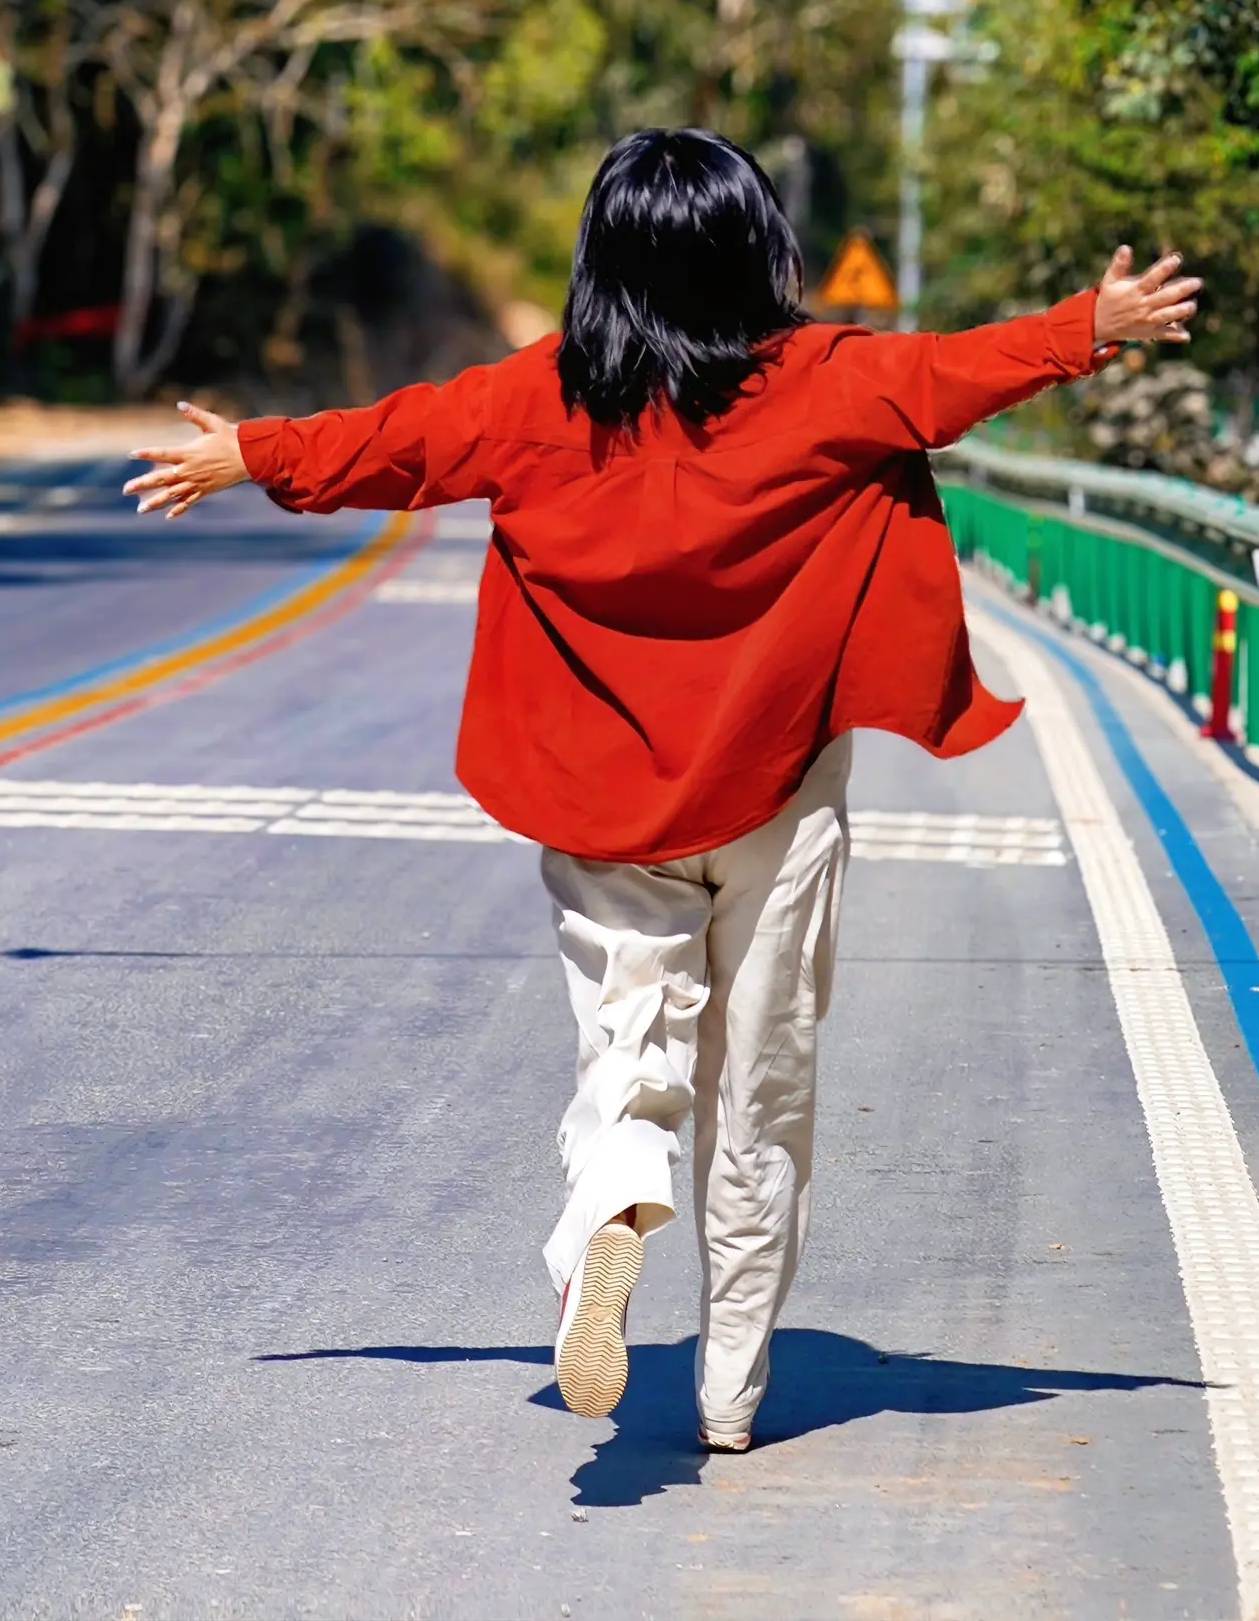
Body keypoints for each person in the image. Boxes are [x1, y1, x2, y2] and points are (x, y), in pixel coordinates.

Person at [125, 129, 1198, 1451]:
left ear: (602, 266)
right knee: (765, 1090)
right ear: (760, 250)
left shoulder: (539, 398)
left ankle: (616, 1212)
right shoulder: (829, 384)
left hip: (604, 807)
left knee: (626, 1061)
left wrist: (255, 453)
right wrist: (1092, 324)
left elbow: (396, 442)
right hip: (777, 793)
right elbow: (955, 377)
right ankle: (732, 1393)